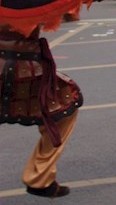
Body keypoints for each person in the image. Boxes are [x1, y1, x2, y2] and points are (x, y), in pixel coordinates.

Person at [0, 26, 83, 198]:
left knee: (62, 109)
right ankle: (39, 178)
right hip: (25, 64)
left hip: (25, 62)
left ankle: (40, 178)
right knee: (64, 106)